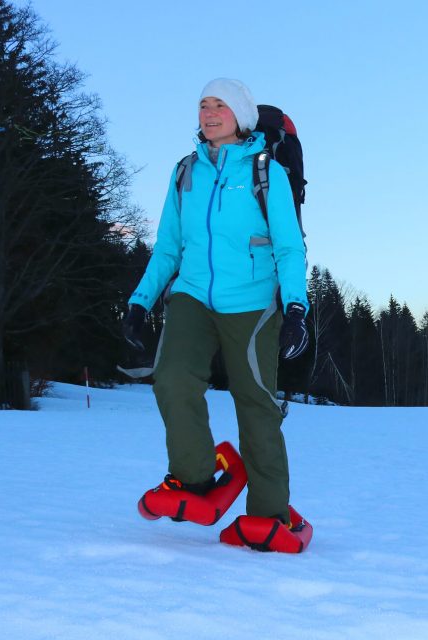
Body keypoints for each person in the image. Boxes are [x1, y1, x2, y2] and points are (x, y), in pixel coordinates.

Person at [122, 78, 309, 525]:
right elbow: (168, 246)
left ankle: (269, 514)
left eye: (219, 106)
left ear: (240, 115)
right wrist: (139, 302)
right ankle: (195, 477)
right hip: (191, 294)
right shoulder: (186, 171)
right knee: (172, 379)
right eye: (203, 105)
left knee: (256, 404)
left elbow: (289, 246)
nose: (208, 113)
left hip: (252, 300)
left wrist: (297, 308)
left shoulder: (267, 173)